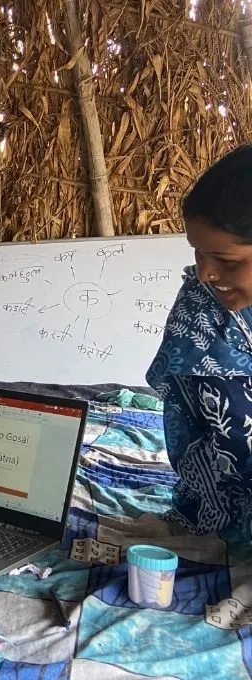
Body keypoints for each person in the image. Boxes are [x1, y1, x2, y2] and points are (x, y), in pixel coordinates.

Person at [148, 144, 252, 541]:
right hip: (221, 510)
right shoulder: (203, 311)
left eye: (226, 260)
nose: (205, 273)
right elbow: (231, 444)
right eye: (198, 252)